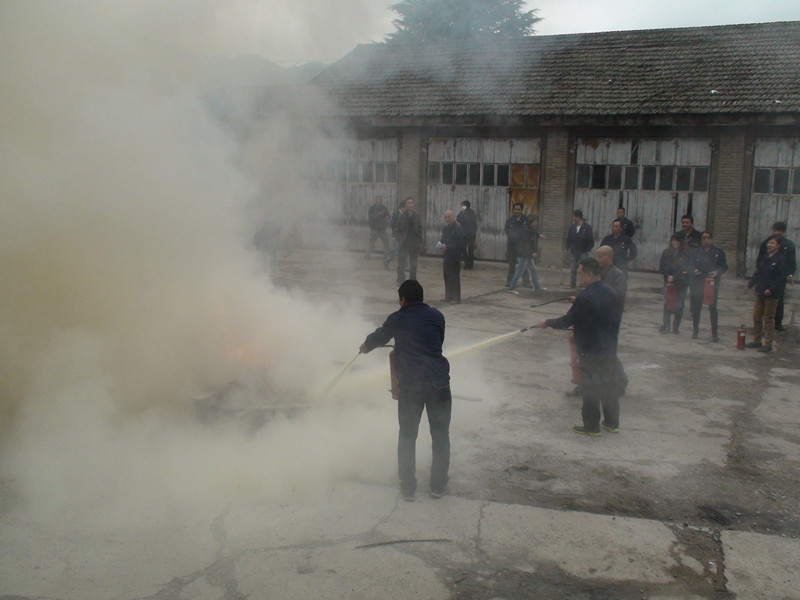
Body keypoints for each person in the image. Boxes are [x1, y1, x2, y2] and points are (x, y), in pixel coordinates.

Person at [359, 280, 451, 500]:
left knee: (408, 436)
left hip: (412, 387)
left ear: (402, 300)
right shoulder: (437, 316)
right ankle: (438, 486)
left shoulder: (398, 318)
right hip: (439, 383)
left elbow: (379, 337)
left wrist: (365, 347)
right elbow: (437, 341)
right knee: (440, 436)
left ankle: (408, 488)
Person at [536, 258, 624, 436]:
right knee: (608, 387)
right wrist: (578, 301)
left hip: (591, 349)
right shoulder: (610, 292)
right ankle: (612, 423)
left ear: (589, 274)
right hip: (609, 347)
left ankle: (591, 427)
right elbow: (601, 309)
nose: (579, 276)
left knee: (590, 388)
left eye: (580, 273)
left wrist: (547, 322)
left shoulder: (585, 297)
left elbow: (566, 321)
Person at [745, 235, 788, 353]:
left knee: (768, 318)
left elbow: (781, 278)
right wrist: (750, 285)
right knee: (756, 316)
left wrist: (772, 289)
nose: (770, 245)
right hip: (760, 291)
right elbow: (758, 273)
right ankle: (756, 340)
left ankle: (768, 343)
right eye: (769, 243)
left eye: (773, 243)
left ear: (778, 246)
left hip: (771, 295)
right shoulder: (765, 257)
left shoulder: (780, 260)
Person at [756, 221, 796, 331]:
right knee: (763, 299)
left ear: (783, 232)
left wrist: (790, 274)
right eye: (775, 230)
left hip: (779, 277)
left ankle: (778, 322)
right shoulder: (766, 243)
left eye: (779, 231)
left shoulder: (788, 245)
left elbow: (791, 262)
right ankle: (764, 321)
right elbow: (760, 259)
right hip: (767, 275)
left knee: (779, 300)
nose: (777, 232)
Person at [687, 231, 727, 341]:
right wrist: (693, 270)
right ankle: (695, 331)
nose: (706, 240)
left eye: (708, 238)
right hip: (698, 282)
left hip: (712, 283)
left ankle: (714, 333)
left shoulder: (718, 252)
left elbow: (723, 267)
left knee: (712, 308)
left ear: (712, 239)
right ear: (701, 240)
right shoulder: (695, 252)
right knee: (696, 308)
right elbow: (689, 265)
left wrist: (717, 272)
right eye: (704, 238)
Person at [659, 234, 690, 334]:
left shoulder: (685, 254)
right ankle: (666, 324)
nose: (675, 243)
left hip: (681, 283)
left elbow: (685, 268)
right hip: (668, 282)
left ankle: (676, 326)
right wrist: (667, 275)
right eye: (674, 241)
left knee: (679, 304)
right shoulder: (666, 252)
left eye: (677, 241)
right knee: (667, 303)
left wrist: (675, 276)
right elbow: (662, 266)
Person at [508, 217, 545, 293]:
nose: (536, 223)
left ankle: (537, 288)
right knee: (520, 271)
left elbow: (533, 235)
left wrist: (539, 235)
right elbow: (526, 243)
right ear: (531, 223)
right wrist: (532, 252)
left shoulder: (531, 230)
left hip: (528, 254)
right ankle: (511, 287)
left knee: (533, 270)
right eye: (535, 222)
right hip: (524, 254)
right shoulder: (525, 231)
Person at [439, 210, 466, 303]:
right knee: (446, 276)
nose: (447, 219)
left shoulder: (458, 229)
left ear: (453, 217)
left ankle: (456, 298)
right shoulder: (445, 229)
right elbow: (442, 239)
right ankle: (448, 296)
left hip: (455, 256)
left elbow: (460, 243)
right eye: (445, 217)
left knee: (454, 277)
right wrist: (441, 246)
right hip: (446, 256)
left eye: (449, 217)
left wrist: (448, 247)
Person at [395, 197, 423, 285]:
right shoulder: (401, 216)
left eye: (411, 203)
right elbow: (396, 229)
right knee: (401, 263)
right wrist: (399, 238)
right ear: (406, 205)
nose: (410, 205)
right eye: (408, 203)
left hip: (414, 242)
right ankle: (400, 279)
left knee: (413, 263)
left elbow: (420, 229)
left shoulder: (417, 216)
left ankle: (412, 280)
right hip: (403, 242)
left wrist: (418, 240)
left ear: (414, 205)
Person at [565, 209, 594, 288]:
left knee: (583, 269)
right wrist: (567, 247)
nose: (572, 218)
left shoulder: (587, 227)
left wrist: (588, 249)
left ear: (578, 217)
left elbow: (591, 240)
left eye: (574, 217)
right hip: (574, 251)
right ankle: (573, 284)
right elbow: (569, 238)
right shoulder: (572, 227)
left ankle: (583, 284)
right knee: (573, 268)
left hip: (583, 251)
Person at [504, 202, 530, 287]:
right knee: (512, 264)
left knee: (523, 265)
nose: (517, 211)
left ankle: (526, 282)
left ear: (521, 210)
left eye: (518, 209)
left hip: (522, 246)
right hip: (512, 246)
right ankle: (510, 281)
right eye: (515, 209)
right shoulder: (510, 220)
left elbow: (528, 232)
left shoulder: (525, 220)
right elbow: (507, 230)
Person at [596, 245, 627, 314]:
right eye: (597, 257)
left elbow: (620, 296)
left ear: (610, 257)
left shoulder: (618, 275)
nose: (598, 260)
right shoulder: (596, 272)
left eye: (600, 257)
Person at [457, 200, 478, 270]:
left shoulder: (464, 213)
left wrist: (460, 212)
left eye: (462, 205)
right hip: (472, 234)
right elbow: (475, 224)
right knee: (470, 250)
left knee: (463, 249)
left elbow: (458, 219)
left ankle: (466, 263)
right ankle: (470, 264)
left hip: (465, 234)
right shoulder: (473, 212)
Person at [382, 204, 404, 269]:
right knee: (396, 251)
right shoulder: (396, 214)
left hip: (402, 236)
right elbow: (392, 224)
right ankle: (386, 261)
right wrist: (397, 232)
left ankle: (405, 266)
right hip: (396, 236)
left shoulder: (403, 214)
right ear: (402, 207)